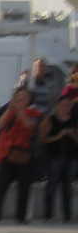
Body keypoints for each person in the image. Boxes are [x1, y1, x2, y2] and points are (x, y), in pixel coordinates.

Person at [0, 87, 41, 224]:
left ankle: (21, 217)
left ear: (29, 99)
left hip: (24, 154)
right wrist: (10, 109)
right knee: (0, 186)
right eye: (18, 97)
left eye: (24, 97)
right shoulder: (10, 111)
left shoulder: (34, 112)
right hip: (8, 154)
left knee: (24, 188)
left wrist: (19, 110)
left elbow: (29, 125)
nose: (21, 100)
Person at [39, 89, 76, 222]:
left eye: (68, 105)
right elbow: (43, 139)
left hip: (71, 158)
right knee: (52, 186)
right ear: (58, 106)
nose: (66, 107)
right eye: (63, 105)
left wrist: (72, 135)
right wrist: (58, 136)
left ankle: (67, 215)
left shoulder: (74, 120)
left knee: (67, 187)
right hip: (54, 157)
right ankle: (48, 214)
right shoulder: (50, 120)